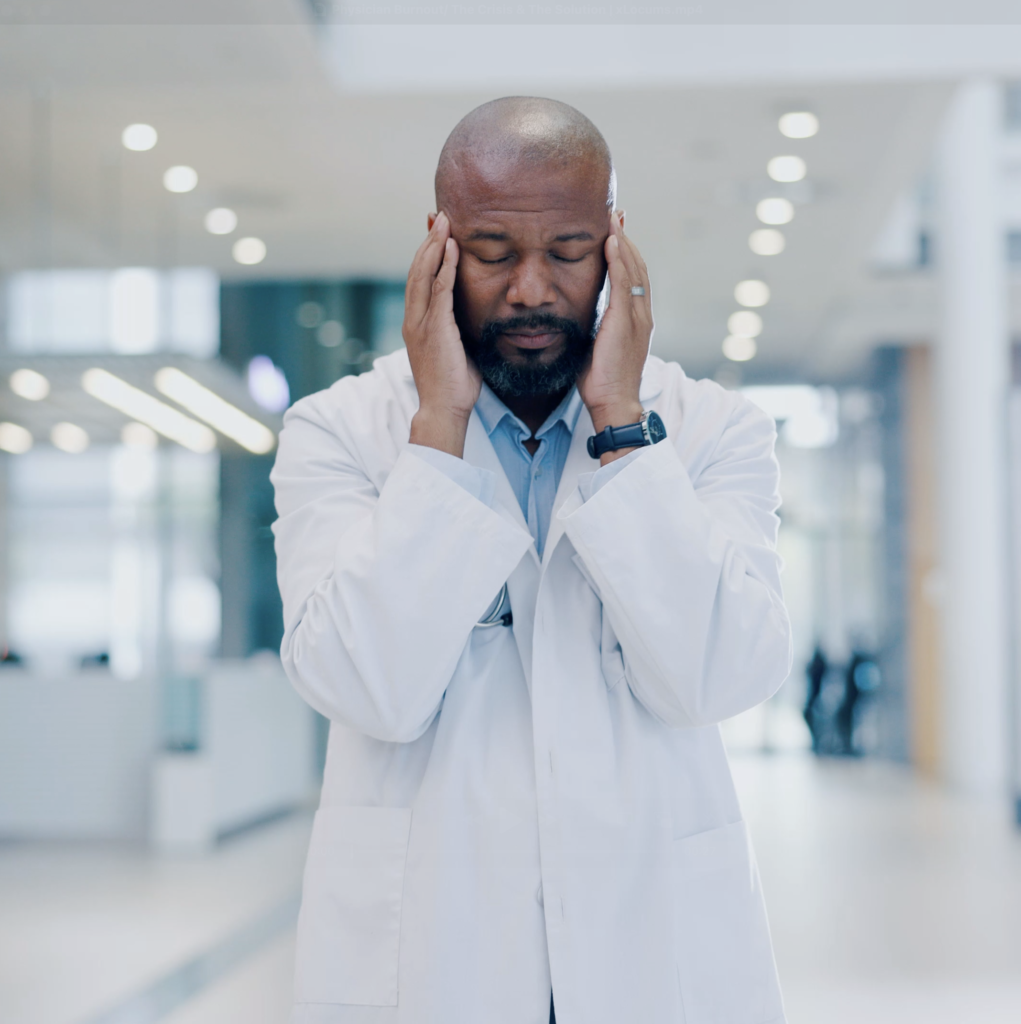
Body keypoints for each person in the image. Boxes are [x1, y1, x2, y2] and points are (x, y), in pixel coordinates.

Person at [272, 97, 792, 1024]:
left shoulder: (711, 432)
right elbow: (366, 689)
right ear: (436, 244)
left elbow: (721, 674)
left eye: (565, 250)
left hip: (651, 951)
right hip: (428, 963)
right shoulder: (342, 433)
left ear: (613, 246)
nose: (530, 291)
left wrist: (625, 432)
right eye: (492, 253)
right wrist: (436, 436)